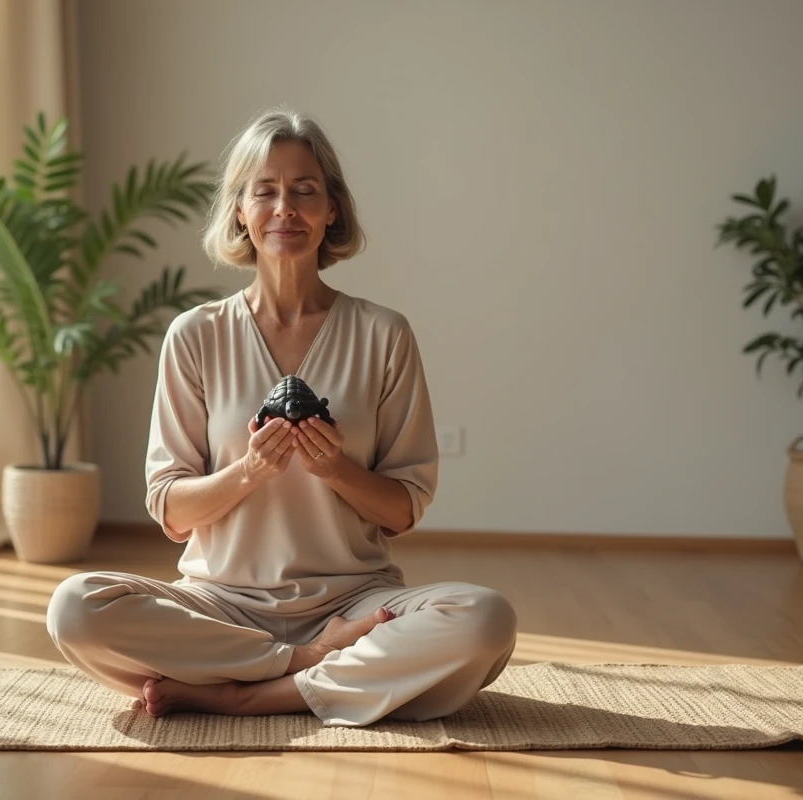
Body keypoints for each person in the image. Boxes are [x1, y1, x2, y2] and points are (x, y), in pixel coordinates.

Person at [45, 107, 517, 728]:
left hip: (356, 600)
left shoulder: (384, 334)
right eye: (264, 191)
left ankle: (246, 693)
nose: (285, 209)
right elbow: (171, 511)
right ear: (240, 210)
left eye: (304, 191)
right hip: (219, 604)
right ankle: (309, 665)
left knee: (485, 619)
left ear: (332, 211)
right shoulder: (196, 335)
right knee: (74, 608)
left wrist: (337, 470)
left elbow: (401, 510)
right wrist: (248, 472)